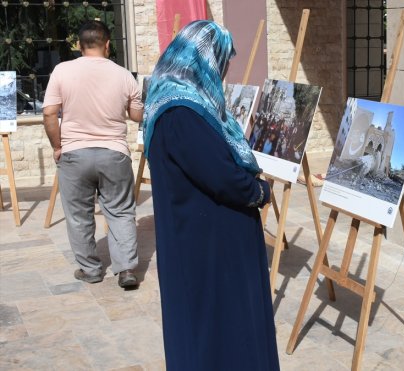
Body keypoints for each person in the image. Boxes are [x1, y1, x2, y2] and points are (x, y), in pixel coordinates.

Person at [142, 21, 279, 370]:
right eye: (222, 62)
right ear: (204, 60)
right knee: (219, 333)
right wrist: (259, 191)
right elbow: (222, 177)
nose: (225, 71)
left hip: (202, 238)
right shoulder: (182, 112)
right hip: (209, 248)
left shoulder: (174, 101)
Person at [42, 20, 142, 288]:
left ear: (78, 45)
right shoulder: (123, 75)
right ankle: (126, 270)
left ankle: (90, 269)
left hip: (74, 154)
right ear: (107, 44)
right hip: (114, 153)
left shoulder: (61, 71)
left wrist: (57, 147)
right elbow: (136, 115)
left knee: (78, 216)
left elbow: (50, 112)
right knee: (121, 212)